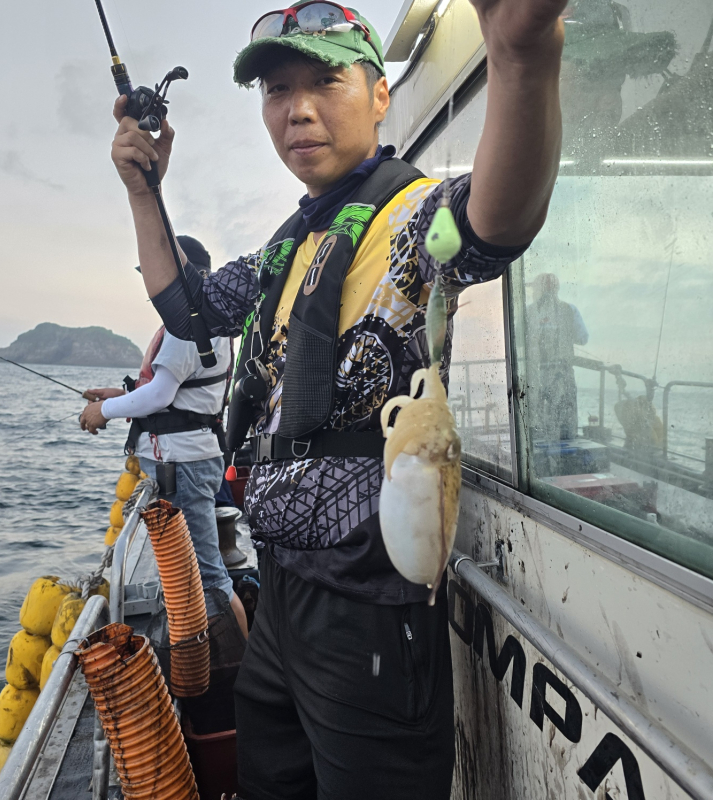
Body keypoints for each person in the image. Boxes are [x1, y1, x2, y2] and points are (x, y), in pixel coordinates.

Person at [109, 1, 566, 796]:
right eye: (277, 90)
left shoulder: (415, 217)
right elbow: (185, 307)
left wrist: (522, 59)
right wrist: (145, 191)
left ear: (380, 94)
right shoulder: (291, 244)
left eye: (325, 79)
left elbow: (494, 222)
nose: (299, 109)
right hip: (281, 588)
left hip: (371, 607)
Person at [79, 235, 248, 638]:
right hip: (189, 460)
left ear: (184, 271)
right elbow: (180, 394)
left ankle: (246, 664)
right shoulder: (203, 320)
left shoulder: (188, 325)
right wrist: (121, 396)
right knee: (199, 571)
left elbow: (159, 394)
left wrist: (102, 411)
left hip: (185, 466)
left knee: (209, 575)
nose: (151, 282)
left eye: (156, 270)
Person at [526, 272, 589, 440]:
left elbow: (518, 339)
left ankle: (540, 449)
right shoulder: (570, 310)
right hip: (564, 373)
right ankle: (567, 448)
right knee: (566, 415)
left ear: (540, 290)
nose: (533, 293)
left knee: (538, 417)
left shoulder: (529, 312)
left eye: (535, 289)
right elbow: (583, 338)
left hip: (537, 374)